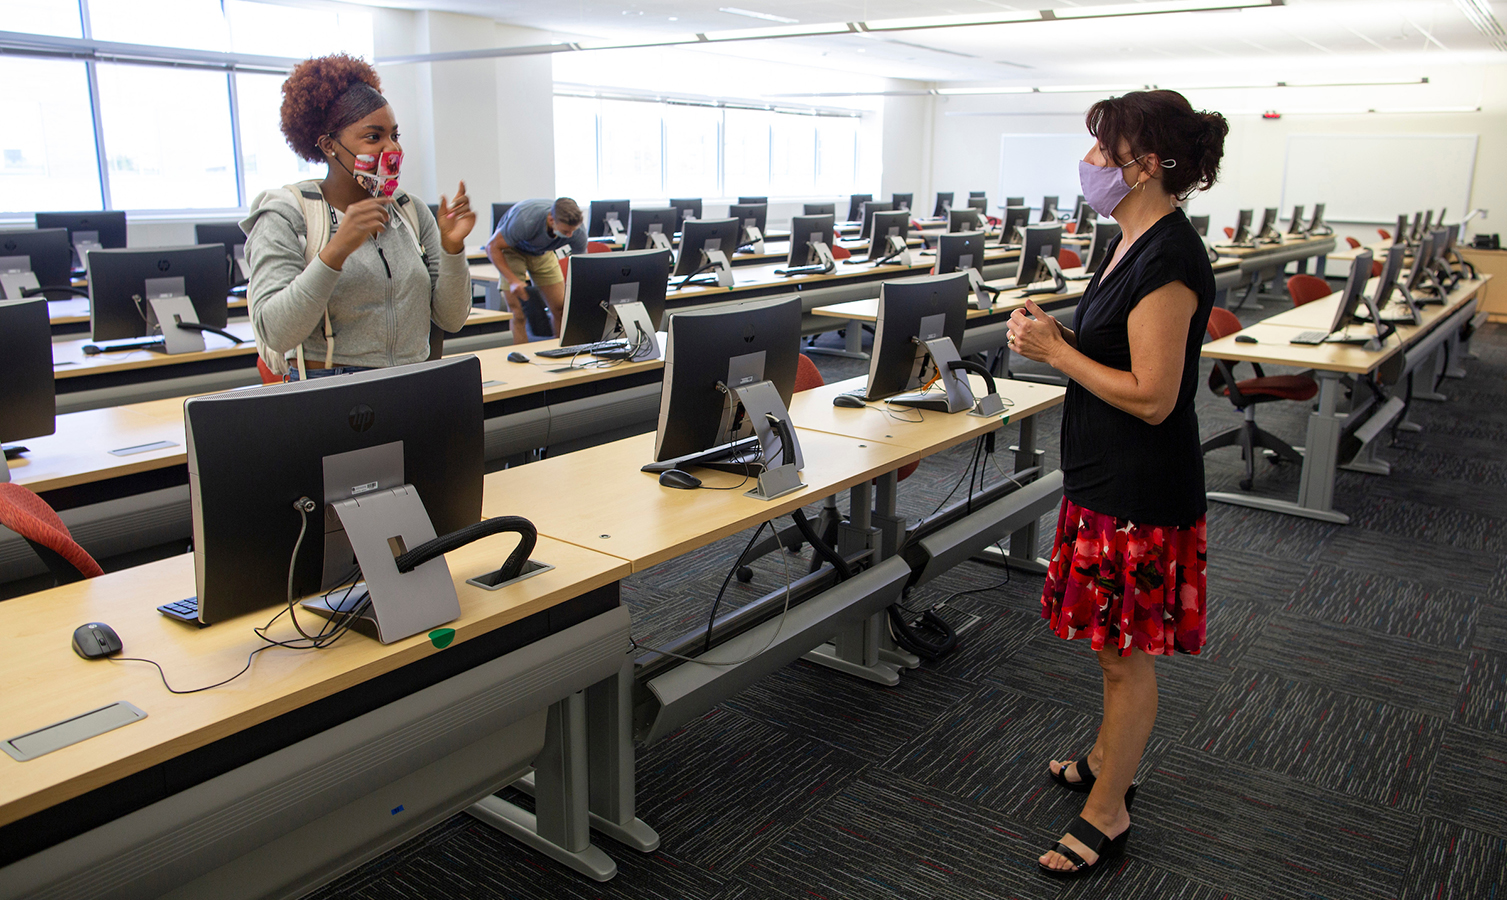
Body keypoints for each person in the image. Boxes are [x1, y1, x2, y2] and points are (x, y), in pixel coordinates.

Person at [1004, 89, 1227, 879]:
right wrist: (1061, 335)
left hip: (1139, 489)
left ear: (1148, 165)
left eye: (1104, 149)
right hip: (1104, 473)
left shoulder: (1168, 258)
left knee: (1124, 657)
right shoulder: (1127, 239)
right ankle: (1105, 758)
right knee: (1108, 647)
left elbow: (1154, 394)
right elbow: (1116, 349)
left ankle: (1109, 810)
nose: (1091, 162)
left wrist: (1057, 355)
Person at [241, 54, 474, 379]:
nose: (390, 148)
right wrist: (336, 250)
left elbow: (452, 319)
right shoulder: (286, 214)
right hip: (332, 392)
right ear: (328, 145)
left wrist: (452, 249)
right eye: (373, 137)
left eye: (395, 135)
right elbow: (276, 332)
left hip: (413, 382)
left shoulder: (410, 211)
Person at [483, 198, 587, 343]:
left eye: (572, 231)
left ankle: (560, 353)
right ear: (551, 220)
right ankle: (520, 360)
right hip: (512, 249)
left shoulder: (577, 231)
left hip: (543, 252)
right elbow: (491, 247)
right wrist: (513, 280)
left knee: (561, 308)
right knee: (518, 312)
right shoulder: (525, 220)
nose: (570, 236)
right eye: (565, 231)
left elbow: (580, 265)